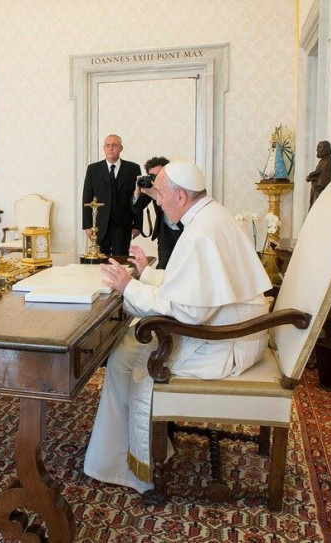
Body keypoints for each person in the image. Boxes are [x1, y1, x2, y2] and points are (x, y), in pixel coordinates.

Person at [83, 162, 272, 492]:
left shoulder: (200, 232)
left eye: (160, 194)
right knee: (127, 345)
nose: (157, 201)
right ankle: (134, 448)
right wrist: (147, 274)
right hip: (234, 331)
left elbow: (187, 312)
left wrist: (129, 287)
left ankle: (126, 462)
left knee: (126, 357)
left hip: (223, 344)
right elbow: (194, 285)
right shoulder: (210, 216)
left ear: (181, 196)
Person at [82, 134, 143, 256]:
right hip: (99, 225)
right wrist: (87, 225)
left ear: (121, 148)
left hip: (123, 224)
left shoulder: (133, 168)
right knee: (100, 260)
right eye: (107, 145)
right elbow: (87, 198)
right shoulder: (93, 169)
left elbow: (138, 198)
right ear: (104, 148)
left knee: (121, 259)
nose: (111, 148)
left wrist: (137, 225)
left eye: (114, 145)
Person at [131, 156, 182, 269]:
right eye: (152, 176)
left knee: (183, 264)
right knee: (163, 265)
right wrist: (137, 191)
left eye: (158, 175)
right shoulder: (152, 188)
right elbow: (136, 209)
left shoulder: (177, 186)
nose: (155, 179)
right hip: (165, 232)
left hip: (182, 230)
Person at [306, 140, 331, 208]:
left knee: (316, 208)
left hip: (319, 190)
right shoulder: (323, 160)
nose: (317, 150)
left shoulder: (328, 160)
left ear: (326, 149)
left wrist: (312, 177)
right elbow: (319, 173)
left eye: (319, 147)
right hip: (316, 189)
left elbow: (324, 179)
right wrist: (311, 177)